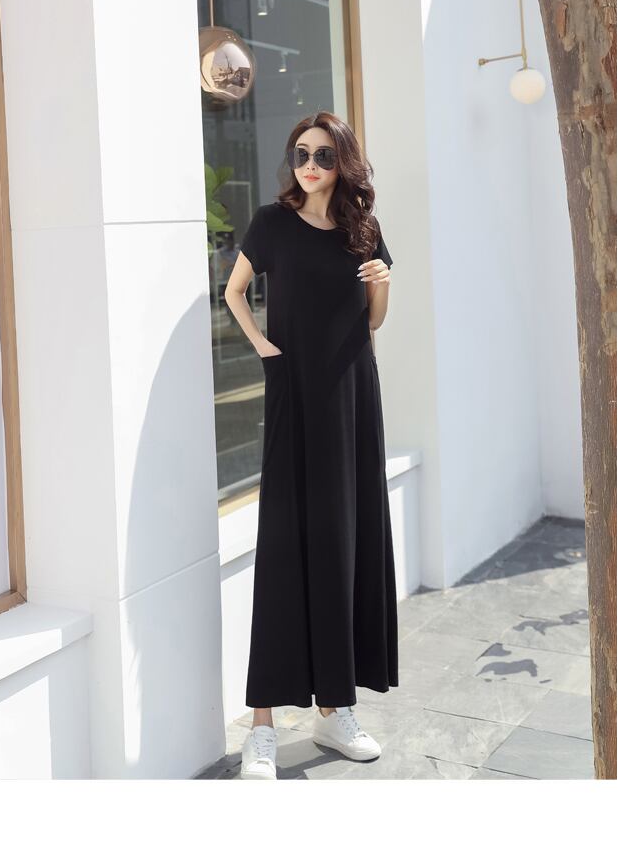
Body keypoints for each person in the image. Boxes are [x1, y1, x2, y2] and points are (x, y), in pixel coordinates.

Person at [223, 111, 399, 780]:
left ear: (342, 162)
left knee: (343, 545)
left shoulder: (363, 230)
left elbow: (372, 319)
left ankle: (335, 709)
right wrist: (265, 348)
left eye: (324, 155)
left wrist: (381, 283)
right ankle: (262, 727)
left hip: (352, 398)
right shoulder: (272, 223)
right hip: (294, 396)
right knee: (284, 546)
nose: (310, 165)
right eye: (301, 153)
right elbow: (234, 290)